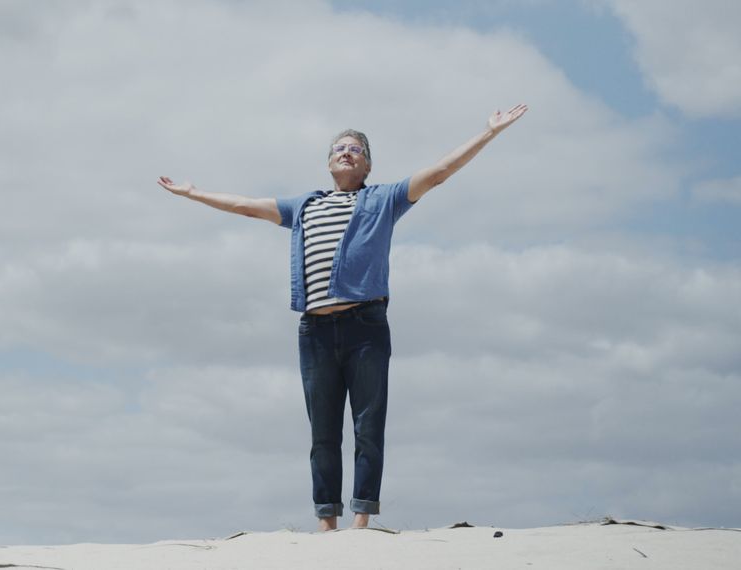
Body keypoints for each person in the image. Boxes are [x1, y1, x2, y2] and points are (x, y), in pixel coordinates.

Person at [157, 104, 529, 531]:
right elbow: (245, 205)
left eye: (356, 149)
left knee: (368, 426)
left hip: (365, 325)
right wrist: (192, 193)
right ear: (329, 161)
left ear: (367, 163)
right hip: (314, 329)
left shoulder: (384, 199)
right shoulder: (304, 206)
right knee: (322, 433)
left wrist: (488, 133)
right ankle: (326, 524)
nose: (347, 153)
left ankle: (361, 524)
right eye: (339, 148)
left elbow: (441, 170)